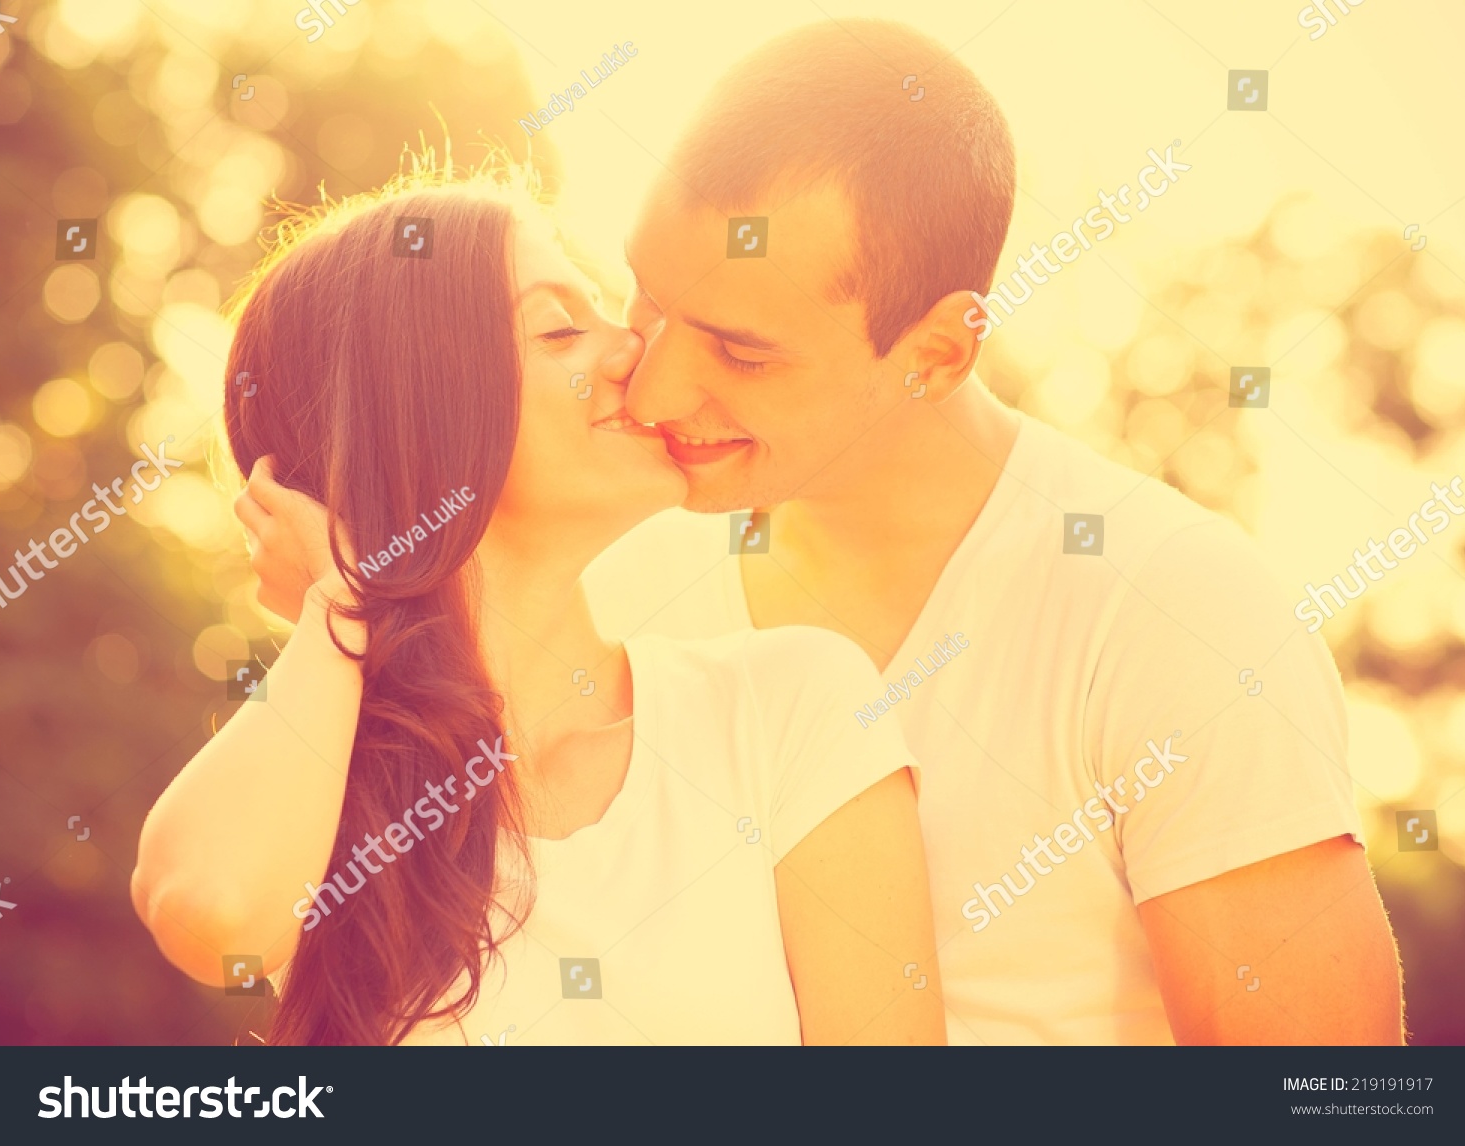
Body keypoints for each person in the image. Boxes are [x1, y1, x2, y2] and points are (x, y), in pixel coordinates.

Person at [582, 19, 1404, 1044]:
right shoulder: (606, 581)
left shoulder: (1169, 612)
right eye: (647, 302)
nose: (654, 389)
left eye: (742, 355)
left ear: (934, 352)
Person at [131, 168, 945, 1046]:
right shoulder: (328, 791)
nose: (640, 351)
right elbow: (212, 911)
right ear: (421, 416)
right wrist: (347, 600)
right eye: (560, 329)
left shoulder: (787, 705)